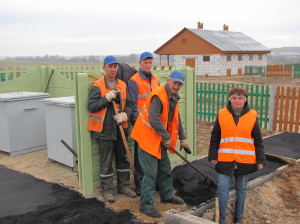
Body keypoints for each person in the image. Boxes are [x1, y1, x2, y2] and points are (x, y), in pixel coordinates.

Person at [131, 70, 191, 218]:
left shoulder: (174, 97)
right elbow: (153, 118)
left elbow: (176, 118)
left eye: (179, 84)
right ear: (168, 80)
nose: (176, 86)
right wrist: (166, 137)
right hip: (146, 139)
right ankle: (146, 205)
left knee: (164, 169)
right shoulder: (159, 95)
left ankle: (167, 195)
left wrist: (183, 138)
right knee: (151, 174)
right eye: (174, 82)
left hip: (158, 138)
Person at [208, 87, 266, 224]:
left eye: (240, 98)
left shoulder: (252, 115)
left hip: (244, 160)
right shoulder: (222, 114)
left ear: (245, 100)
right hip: (225, 159)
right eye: (234, 98)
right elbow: (215, 136)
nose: (237, 101)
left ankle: (238, 217)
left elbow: (258, 139)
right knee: (222, 189)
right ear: (230, 99)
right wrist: (212, 155)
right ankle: (221, 219)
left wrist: (260, 159)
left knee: (241, 189)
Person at [88, 55, 137, 203]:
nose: (113, 69)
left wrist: (125, 115)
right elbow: (91, 106)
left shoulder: (122, 84)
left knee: (122, 159)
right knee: (106, 161)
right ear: (104, 67)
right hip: (105, 131)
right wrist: (106, 99)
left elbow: (130, 104)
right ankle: (108, 191)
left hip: (121, 128)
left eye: (115, 66)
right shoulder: (98, 86)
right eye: (110, 66)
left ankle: (124, 186)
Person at [127, 51, 160, 195]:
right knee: (140, 157)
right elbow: (133, 106)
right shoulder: (134, 81)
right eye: (145, 62)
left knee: (153, 154)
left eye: (150, 62)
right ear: (140, 63)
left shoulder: (156, 79)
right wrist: (138, 125)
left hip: (154, 124)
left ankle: (152, 182)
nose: (148, 65)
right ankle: (140, 184)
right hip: (141, 125)